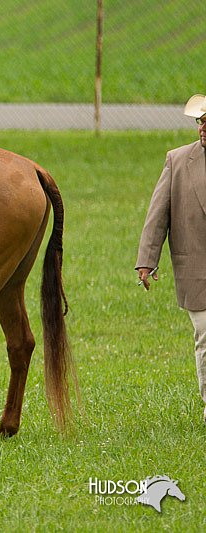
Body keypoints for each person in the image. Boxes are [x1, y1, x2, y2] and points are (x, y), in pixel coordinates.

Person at [136, 93, 206, 425]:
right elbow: (157, 215)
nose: (203, 128)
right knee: (205, 338)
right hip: (197, 270)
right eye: (200, 121)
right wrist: (147, 260)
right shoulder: (177, 161)